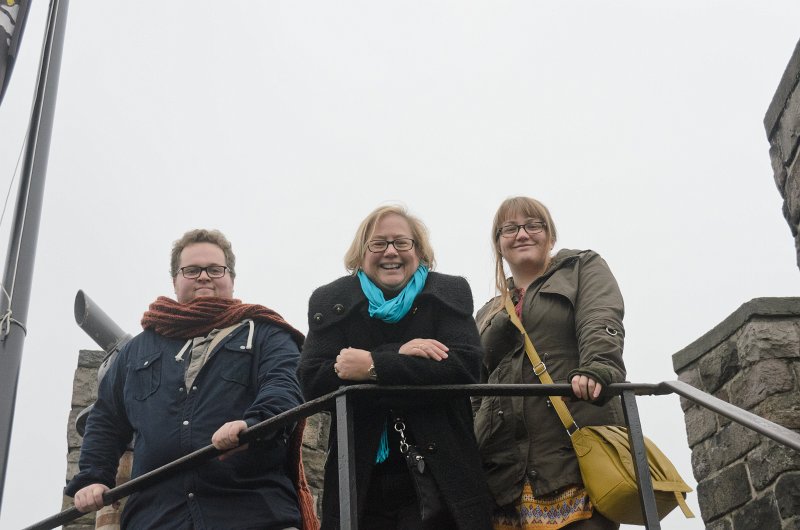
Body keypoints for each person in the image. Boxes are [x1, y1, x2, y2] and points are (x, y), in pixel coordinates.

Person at [65, 229, 317, 530]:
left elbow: (285, 386)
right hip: (157, 518)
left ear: (231, 278)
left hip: (253, 512)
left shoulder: (266, 333)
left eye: (215, 269)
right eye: (192, 270)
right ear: (175, 280)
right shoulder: (135, 351)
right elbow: (107, 418)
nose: (204, 277)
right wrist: (93, 477)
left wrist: (254, 425)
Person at [298, 205, 492, 530]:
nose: (391, 252)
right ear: (362, 253)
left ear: (418, 251)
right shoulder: (332, 301)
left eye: (402, 243)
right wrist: (402, 355)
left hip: (440, 475)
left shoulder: (447, 294)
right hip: (362, 482)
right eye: (379, 244)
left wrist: (373, 366)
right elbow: (313, 380)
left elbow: (464, 366)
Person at [474, 197, 626, 530]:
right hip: (502, 469)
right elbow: (474, 384)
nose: (522, 234)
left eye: (533, 225)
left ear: (551, 236)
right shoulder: (486, 313)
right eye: (510, 228)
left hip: (573, 452)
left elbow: (600, 319)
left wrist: (598, 367)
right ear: (499, 245)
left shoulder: (581, 268)